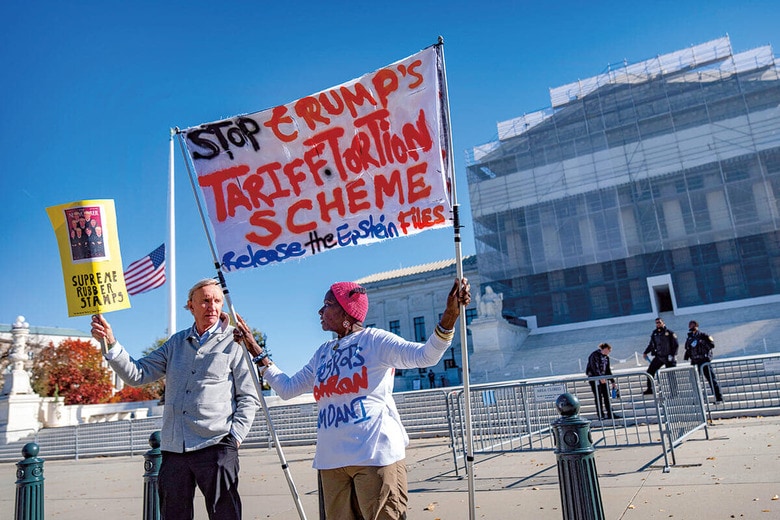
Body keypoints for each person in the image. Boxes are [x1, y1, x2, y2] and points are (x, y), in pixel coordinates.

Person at [234, 278, 471, 520]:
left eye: (327, 304)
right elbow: (287, 388)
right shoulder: (323, 353)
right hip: (331, 462)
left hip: (374, 457)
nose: (320, 311)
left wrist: (449, 316)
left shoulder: (375, 341)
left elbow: (425, 356)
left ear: (346, 310)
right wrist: (254, 348)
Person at [91, 278, 260, 520]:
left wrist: (235, 439)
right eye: (205, 301)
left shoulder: (235, 342)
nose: (212, 306)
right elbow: (137, 374)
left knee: (225, 515)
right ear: (190, 306)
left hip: (216, 445)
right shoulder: (175, 343)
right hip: (174, 448)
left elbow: (248, 396)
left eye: (217, 301)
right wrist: (110, 342)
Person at [684, 320, 724, 402]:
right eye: (690, 325)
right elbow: (688, 348)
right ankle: (699, 400)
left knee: (711, 380)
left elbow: (712, 345)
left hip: (704, 361)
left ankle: (719, 398)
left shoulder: (703, 335)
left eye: (692, 325)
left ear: (696, 326)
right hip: (695, 361)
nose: (691, 326)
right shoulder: (689, 337)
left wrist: (702, 342)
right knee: (695, 381)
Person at [643, 317, 679, 395]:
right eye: (656, 323)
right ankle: (650, 389)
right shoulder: (655, 333)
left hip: (669, 357)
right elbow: (651, 344)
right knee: (650, 371)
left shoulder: (669, 333)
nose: (658, 324)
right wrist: (645, 352)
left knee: (671, 375)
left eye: (659, 322)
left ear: (663, 323)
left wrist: (673, 355)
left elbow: (675, 345)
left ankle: (674, 392)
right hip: (660, 357)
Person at [585, 342, 619, 419]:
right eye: (609, 350)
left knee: (607, 396)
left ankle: (610, 414)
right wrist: (600, 377)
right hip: (594, 379)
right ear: (605, 349)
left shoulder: (606, 358)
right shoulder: (594, 355)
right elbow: (594, 367)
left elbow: (608, 370)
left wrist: (612, 381)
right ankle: (601, 414)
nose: (609, 352)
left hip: (603, 378)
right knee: (598, 397)